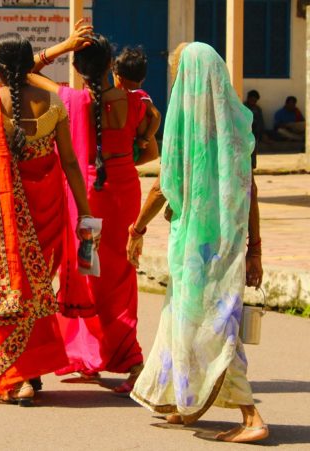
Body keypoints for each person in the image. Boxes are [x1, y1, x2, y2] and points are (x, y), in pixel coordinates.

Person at [127, 42, 268, 443]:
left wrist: (136, 229)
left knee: (213, 329)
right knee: (188, 320)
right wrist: (254, 250)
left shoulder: (185, 129)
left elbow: (162, 187)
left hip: (195, 249)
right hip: (224, 248)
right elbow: (250, 189)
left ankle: (251, 416)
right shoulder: (238, 127)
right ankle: (181, 401)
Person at [0, 33, 94, 406]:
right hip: (46, 213)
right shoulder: (54, 105)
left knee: (8, 292)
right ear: (30, 65)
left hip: (2, 219)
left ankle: (18, 379)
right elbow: (71, 165)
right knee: (35, 292)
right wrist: (87, 211)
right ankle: (32, 370)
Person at [29, 26, 159, 393]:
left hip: (88, 197)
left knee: (88, 271)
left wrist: (63, 46)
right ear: (111, 66)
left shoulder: (73, 100)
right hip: (125, 190)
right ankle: (126, 359)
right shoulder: (137, 101)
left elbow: (24, 70)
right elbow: (149, 142)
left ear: (80, 68)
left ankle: (93, 355)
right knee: (120, 274)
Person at [112, 47, 162, 162]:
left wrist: (145, 138)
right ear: (143, 79)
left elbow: (157, 115)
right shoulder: (134, 95)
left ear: (119, 77)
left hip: (134, 147)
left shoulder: (139, 96)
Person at [244, 90, 265, 168]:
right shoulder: (244, 107)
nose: (253, 102)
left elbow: (261, 122)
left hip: (255, 133)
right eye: (252, 100)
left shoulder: (257, 109)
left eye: (255, 100)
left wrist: (262, 133)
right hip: (246, 133)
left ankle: (252, 166)